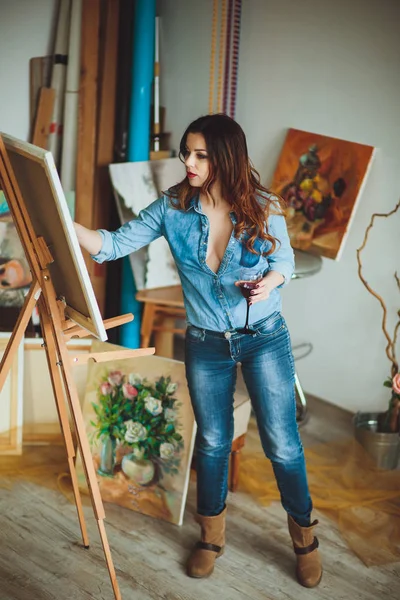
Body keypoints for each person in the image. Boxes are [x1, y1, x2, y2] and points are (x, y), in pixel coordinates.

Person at [74, 113, 322, 588]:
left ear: (225, 158)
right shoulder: (172, 207)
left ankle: (305, 538)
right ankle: (211, 537)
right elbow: (111, 245)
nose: (187, 160)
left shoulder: (262, 205)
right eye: (187, 151)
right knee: (211, 442)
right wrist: (64, 222)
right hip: (206, 343)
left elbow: (284, 260)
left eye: (200, 154)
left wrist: (270, 282)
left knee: (282, 444)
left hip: (264, 337)